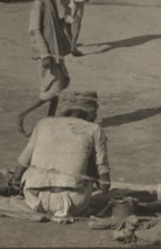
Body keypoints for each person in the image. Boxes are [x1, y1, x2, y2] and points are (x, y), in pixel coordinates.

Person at [15, 90, 112, 222]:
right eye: (94, 111)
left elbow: (19, 170)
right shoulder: (94, 129)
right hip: (73, 203)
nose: (95, 115)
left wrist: (16, 184)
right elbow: (105, 186)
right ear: (86, 111)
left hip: (34, 199)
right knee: (87, 163)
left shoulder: (43, 123)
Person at [17, 0, 73, 135]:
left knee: (60, 84)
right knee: (52, 90)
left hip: (54, 51)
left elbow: (52, 25)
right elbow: (35, 30)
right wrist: (44, 54)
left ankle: (48, 121)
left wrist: (63, 22)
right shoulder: (39, 4)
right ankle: (23, 115)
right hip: (48, 54)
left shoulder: (50, 2)